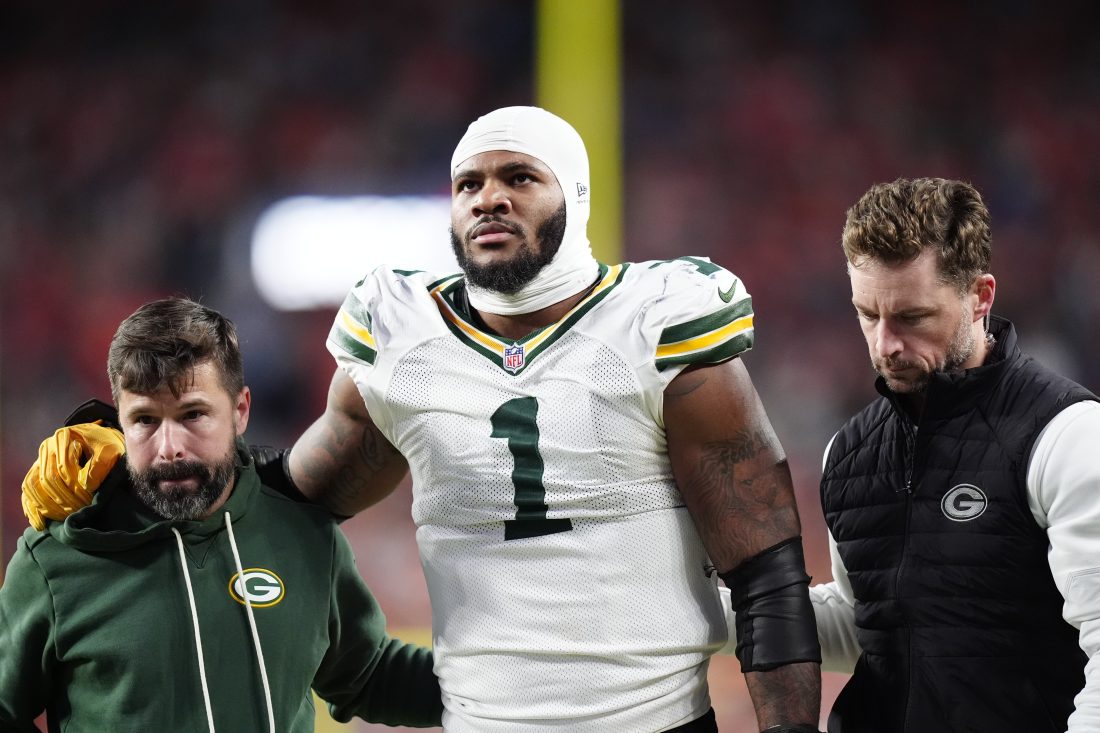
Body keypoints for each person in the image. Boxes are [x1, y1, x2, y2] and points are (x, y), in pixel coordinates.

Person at [20, 107, 823, 732]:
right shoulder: (402, 332)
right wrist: (125, 470)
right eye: (468, 182)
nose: (488, 197)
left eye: (518, 176)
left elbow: (767, 571)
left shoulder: (659, 319)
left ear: (574, 198)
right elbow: (286, 497)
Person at [2, 297, 442, 731]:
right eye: (145, 420)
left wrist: (499, 687)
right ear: (118, 423)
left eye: (193, 414)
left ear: (240, 411)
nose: (169, 446)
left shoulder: (303, 532)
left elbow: (367, 675)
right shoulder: (56, 560)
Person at [807, 177, 1100, 732]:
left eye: (912, 318)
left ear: (980, 296)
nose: (884, 345)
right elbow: (870, 628)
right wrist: (710, 613)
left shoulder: (1068, 435)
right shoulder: (846, 454)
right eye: (867, 314)